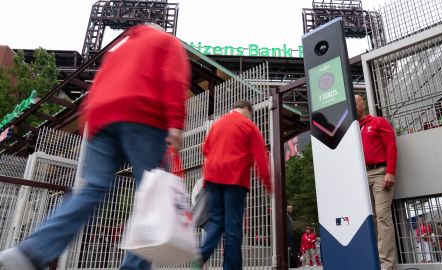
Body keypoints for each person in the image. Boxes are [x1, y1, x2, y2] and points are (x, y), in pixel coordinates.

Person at [0, 23, 190, 270]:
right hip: (144, 116)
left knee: (92, 189)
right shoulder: (167, 42)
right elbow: (173, 79)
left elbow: (97, 86)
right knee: (153, 198)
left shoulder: (121, 47)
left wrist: (89, 127)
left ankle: (29, 253)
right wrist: (175, 124)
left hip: (101, 120)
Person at [195, 100, 271, 270]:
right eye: (250, 114)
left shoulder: (217, 124)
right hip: (235, 179)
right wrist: (268, 184)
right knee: (233, 228)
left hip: (212, 177)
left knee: (216, 221)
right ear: (247, 110)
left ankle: (201, 255)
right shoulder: (249, 125)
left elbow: (205, 149)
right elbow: (261, 158)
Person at [355, 95, 397, 270]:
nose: (352, 105)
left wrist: (390, 171)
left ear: (363, 104)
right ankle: (371, 261)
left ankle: (386, 265)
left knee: (382, 216)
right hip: (360, 176)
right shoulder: (351, 129)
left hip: (380, 173)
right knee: (365, 220)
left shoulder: (378, 122)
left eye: (355, 102)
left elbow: (391, 146)